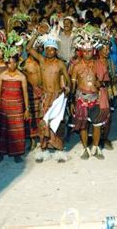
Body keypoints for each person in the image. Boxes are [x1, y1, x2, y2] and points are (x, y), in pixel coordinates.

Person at [27, 31, 70, 161]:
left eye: (52, 50)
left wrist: (68, 88)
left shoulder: (60, 64)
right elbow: (28, 48)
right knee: (44, 123)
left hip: (57, 97)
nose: (49, 52)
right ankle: (44, 149)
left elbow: (67, 79)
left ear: (56, 51)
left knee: (57, 123)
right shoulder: (42, 60)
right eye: (47, 49)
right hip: (45, 96)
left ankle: (59, 149)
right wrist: (35, 34)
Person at [70, 31, 108, 160]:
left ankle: (96, 147)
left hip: (96, 98)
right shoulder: (76, 67)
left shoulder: (99, 64)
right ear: (81, 52)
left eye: (90, 51)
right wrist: (71, 101)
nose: (87, 53)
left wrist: (100, 83)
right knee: (83, 125)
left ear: (93, 51)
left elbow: (107, 81)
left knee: (97, 124)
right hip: (81, 98)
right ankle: (85, 148)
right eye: (85, 51)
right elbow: (73, 85)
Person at [0, 54, 30, 163]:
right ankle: (1, 153)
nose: (11, 65)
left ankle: (17, 154)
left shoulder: (21, 76)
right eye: (9, 62)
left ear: (17, 63)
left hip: (17, 107)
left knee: (17, 131)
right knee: (3, 130)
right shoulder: (2, 76)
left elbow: (25, 93)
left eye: (13, 62)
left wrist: (26, 109)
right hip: (4, 107)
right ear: (6, 63)